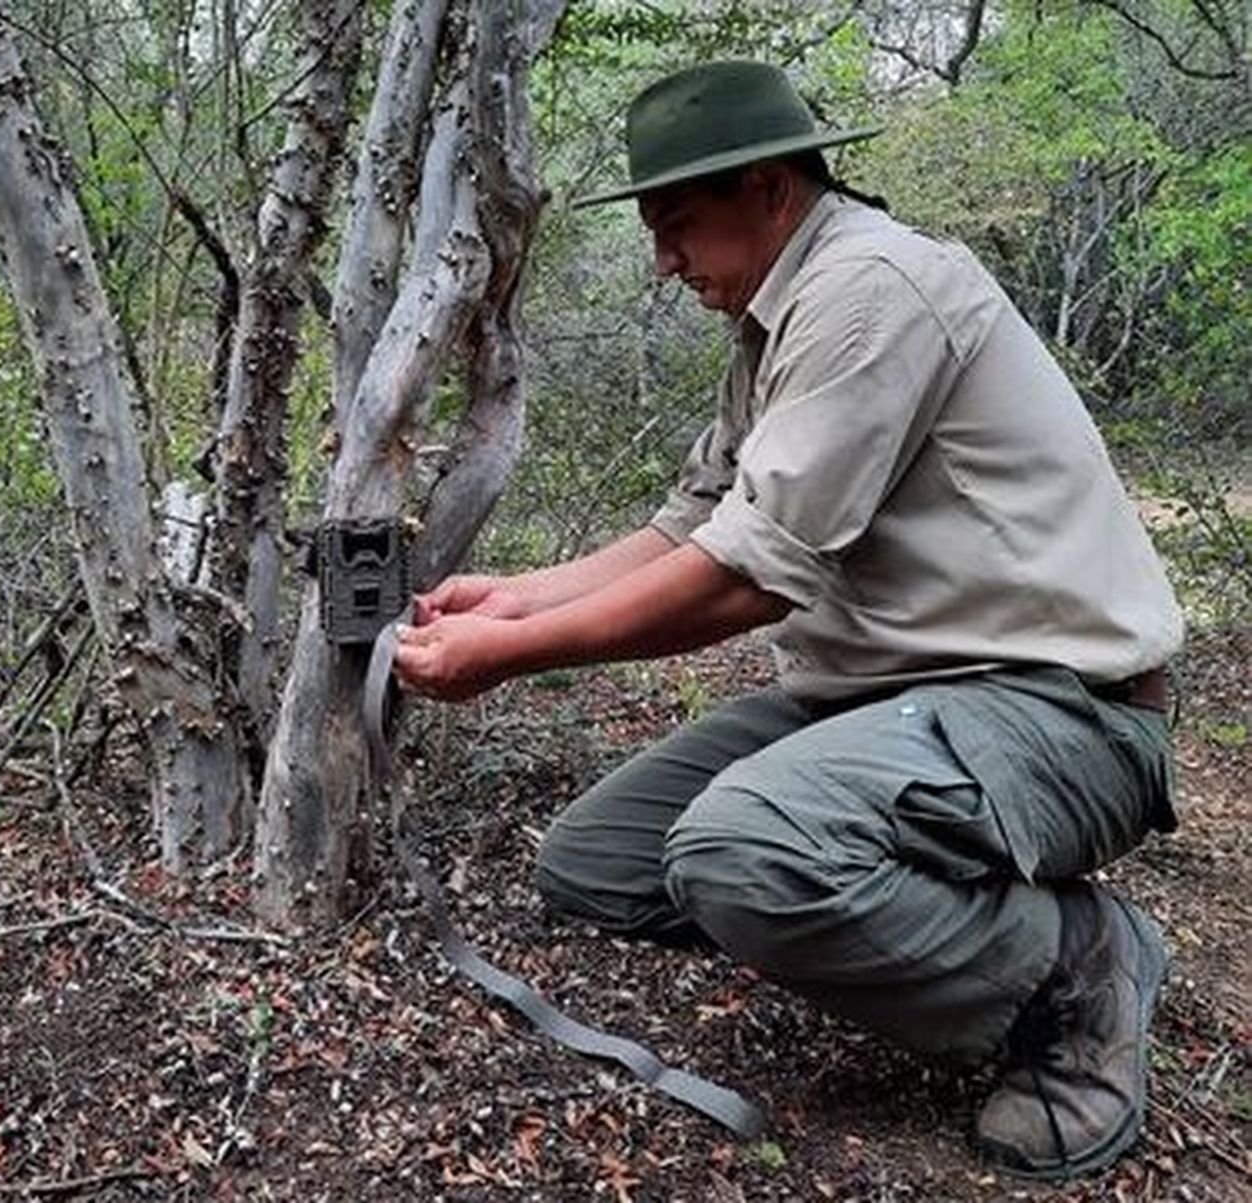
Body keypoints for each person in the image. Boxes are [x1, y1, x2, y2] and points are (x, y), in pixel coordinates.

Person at [392, 60, 1182, 1182]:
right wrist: (515, 597)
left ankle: (1074, 967)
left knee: (740, 852)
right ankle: (905, 903)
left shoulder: (872, 292)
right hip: (891, 701)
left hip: (1063, 712)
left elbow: (747, 578)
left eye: (678, 223)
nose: (665, 262)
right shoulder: (780, 315)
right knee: (603, 867)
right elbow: (696, 524)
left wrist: (507, 655)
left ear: (768, 187)